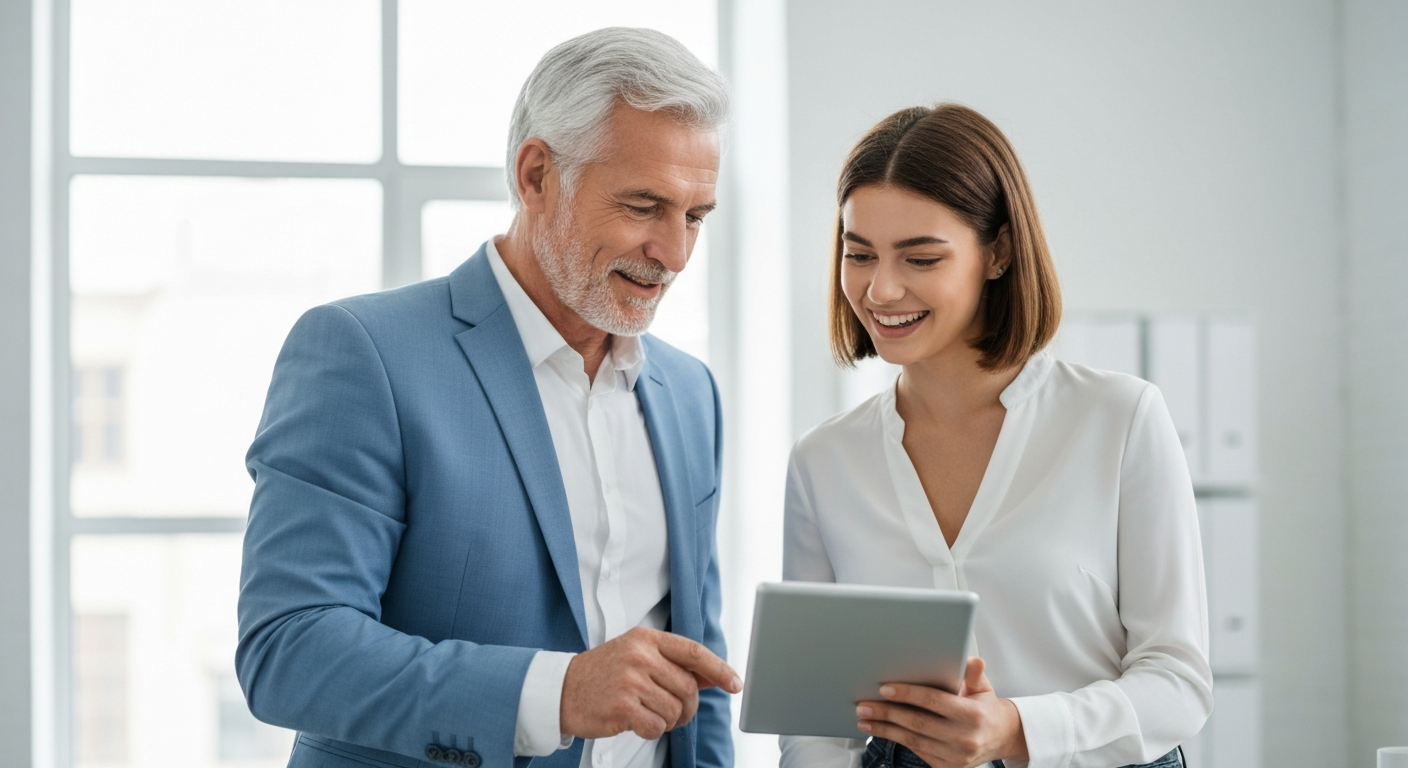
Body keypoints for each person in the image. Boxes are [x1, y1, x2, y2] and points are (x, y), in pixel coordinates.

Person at [237, 28, 740, 768]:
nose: (675, 253)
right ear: (536, 175)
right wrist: (557, 691)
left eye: (695, 217)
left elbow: (699, 671)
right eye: (643, 206)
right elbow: (290, 648)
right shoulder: (364, 353)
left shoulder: (690, 393)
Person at [780, 104, 1212, 768]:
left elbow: (1178, 685)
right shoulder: (824, 461)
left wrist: (1015, 729)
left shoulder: (1119, 420)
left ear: (999, 252)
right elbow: (812, 722)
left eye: (921, 257)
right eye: (858, 253)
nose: (881, 288)